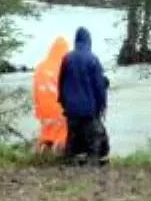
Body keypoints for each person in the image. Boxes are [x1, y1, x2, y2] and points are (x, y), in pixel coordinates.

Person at [57, 26, 109, 166]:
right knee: (92, 138)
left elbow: (61, 82)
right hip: (88, 109)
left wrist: (62, 101)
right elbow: (99, 86)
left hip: (72, 108)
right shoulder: (93, 59)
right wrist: (102, 105)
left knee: (73, 137)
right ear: (89, 41)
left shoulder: (67, 58)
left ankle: (70, 162)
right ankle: (91, 163)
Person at [32, 35, 70, 152]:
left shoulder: (40, 66)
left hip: (42, 111)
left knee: (46, 132)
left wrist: (38, 111)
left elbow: (35, 91)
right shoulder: (64, 67)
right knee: (63, 132)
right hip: (58, 111)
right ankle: (58, 150)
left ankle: (40, 151)